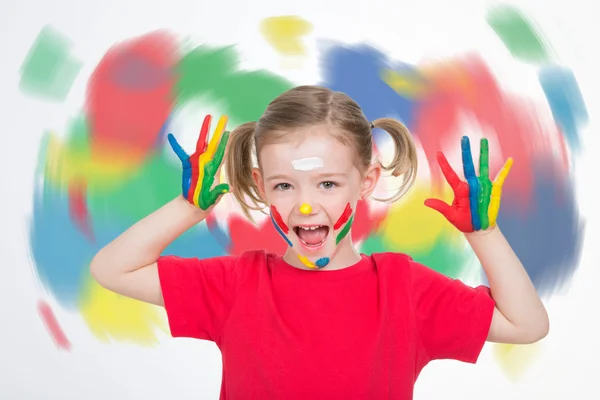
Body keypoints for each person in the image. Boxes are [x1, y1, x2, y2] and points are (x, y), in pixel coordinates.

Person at [90, 85, 549, 399]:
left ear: (365, 182)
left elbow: (527, 326)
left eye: (327, 184)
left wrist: (484, 235)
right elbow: (111, 269)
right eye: (285, 186)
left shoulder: (402, 287)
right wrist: (188, 208)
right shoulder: (237, 283)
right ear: (261, 185)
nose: (304, 207)